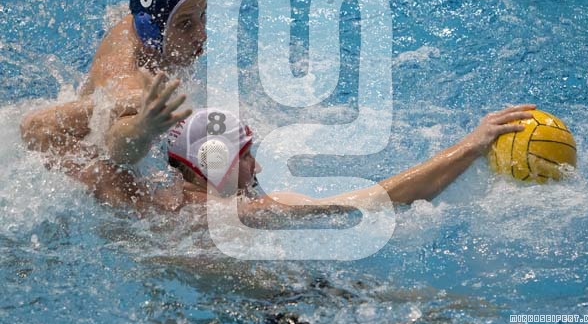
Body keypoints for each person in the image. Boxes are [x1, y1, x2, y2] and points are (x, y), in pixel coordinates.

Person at [66, 74, 536, 214]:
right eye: (246, 157)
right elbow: (379, 199)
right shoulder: (250, 213)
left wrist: (139, 127)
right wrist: (470, 146)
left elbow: (58, 147)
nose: (257, 170)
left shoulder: (143, 204)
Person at [20, 0, 204, 165]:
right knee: (121, 180)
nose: (202, 35)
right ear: (151, 32)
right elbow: (118, 151)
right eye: (185, 24)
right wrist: (143, 127)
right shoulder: (126, 81)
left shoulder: (150, 27)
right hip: (72, 142)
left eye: (202, 15)